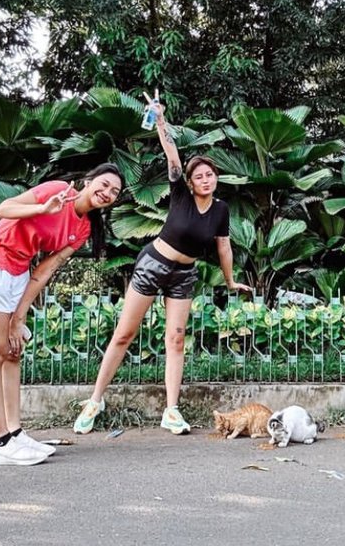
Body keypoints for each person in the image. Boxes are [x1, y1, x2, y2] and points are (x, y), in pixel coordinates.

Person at [73, 95, 251, 436]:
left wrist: (230, 282)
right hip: (154, 264)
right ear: (190, 181)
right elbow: (172, 153)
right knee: (124, 334)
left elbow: (224, 247)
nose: (205, 179)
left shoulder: (221, 210)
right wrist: (159, 120)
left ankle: (171, 410)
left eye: (210, 175)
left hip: (184, 276)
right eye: (199, 175)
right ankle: (95, 400)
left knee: (176, 339)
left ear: (216, 178)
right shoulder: (181, 194)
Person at [0, 163, 123, 466]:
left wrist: (19, 317)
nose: (107, 192)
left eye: (115, 191)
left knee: (13, 351)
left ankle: (15, 433)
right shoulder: (58, 191)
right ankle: (0, 442)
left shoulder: (83, 228)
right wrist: (42, 208)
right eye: (104, 184)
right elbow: (3, 209)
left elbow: (44, 270)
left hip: (18, 274)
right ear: (87, 180)